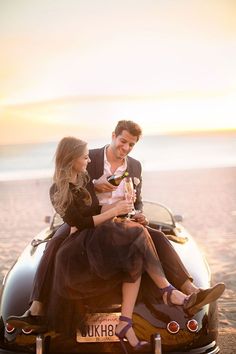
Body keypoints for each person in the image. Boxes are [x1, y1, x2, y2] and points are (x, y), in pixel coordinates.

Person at [7, 122, 225, 332]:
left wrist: (139, 214)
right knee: (54, 242)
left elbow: (137, 199)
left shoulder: (135, 165)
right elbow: (70, 184)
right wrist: (95, 186)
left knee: (158, 236)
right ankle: (36, 306)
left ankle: (191, 292)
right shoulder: (88, 157)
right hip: (89, 217)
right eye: (122, 141)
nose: (125, 148)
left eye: (131, 144)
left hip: (124, 218)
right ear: (113, 136)